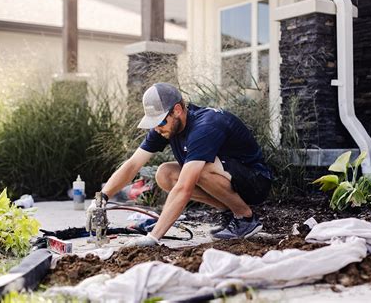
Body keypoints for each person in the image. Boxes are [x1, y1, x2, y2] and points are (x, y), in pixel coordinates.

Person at [95, 82, 271, 247]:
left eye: (160, 121)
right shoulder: (165, 126)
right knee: (165, 174)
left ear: (177, 110)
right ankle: (230, 212)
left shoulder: (205, 126)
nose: (157, 128)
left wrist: (153, 237)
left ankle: (245, 218)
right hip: (229, 178)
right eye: (153, 122)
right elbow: (133, 164)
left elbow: (184, 187)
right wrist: (101, 199)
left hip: (255, 181)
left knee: (199, 169)